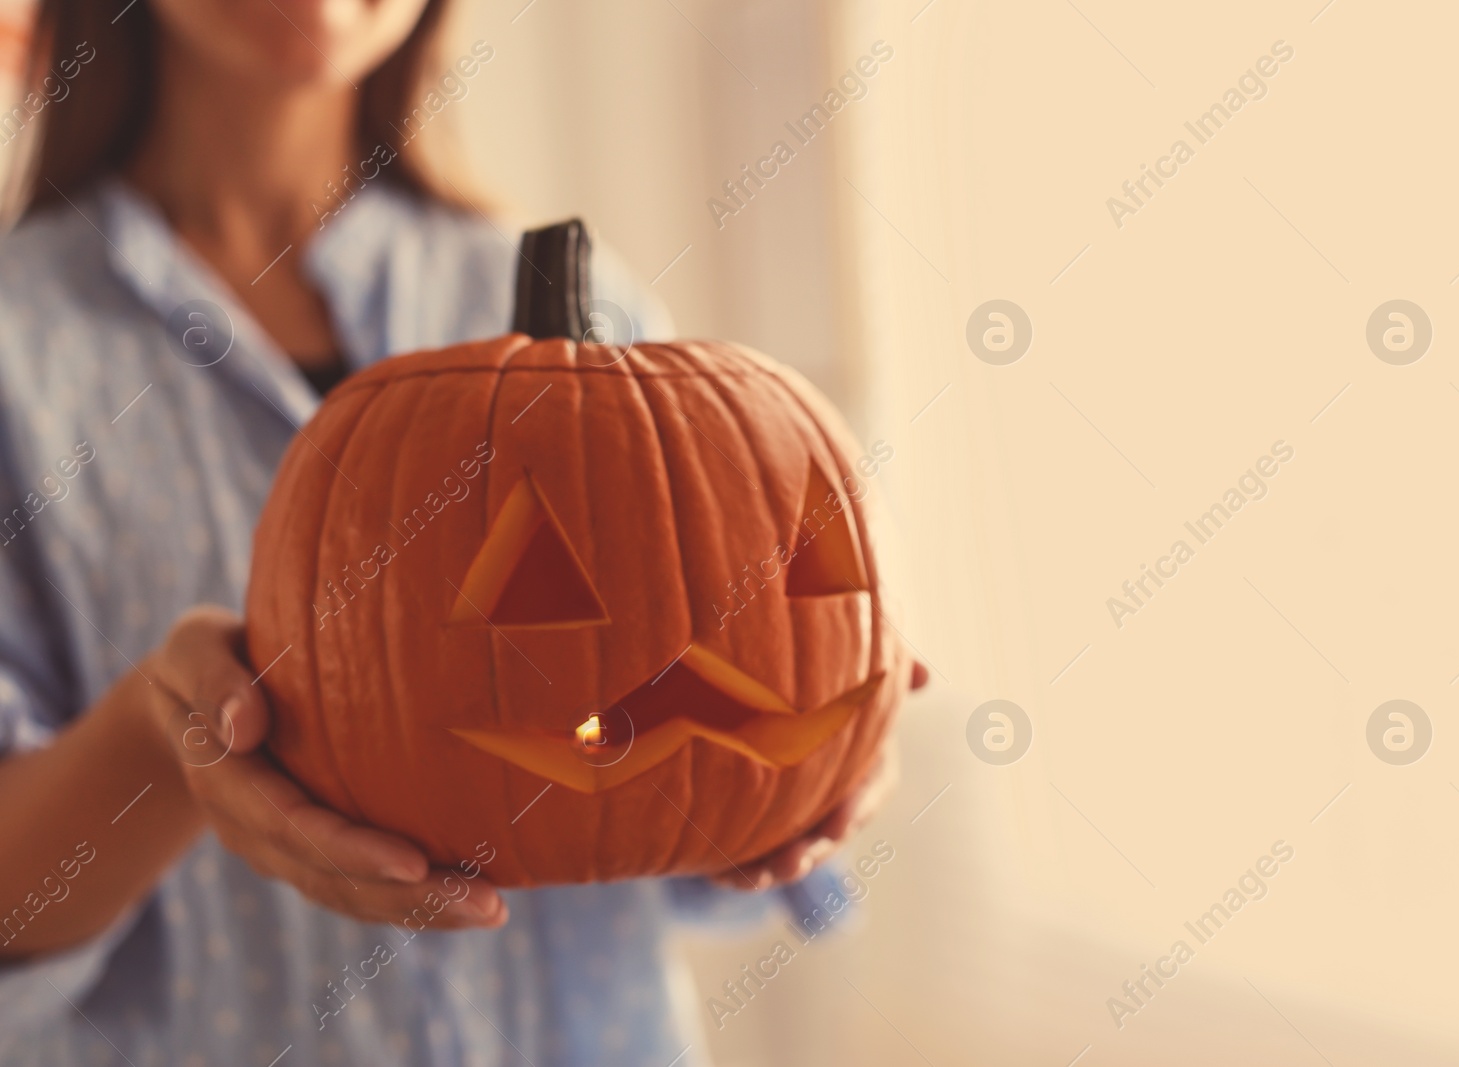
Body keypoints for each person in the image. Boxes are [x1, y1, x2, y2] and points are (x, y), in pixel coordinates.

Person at [0, 1, 907, 1063]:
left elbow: (666, 765)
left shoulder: (589, 303)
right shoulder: (20, 350)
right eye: (538, 584)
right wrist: (158, 742)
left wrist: (810, 747)